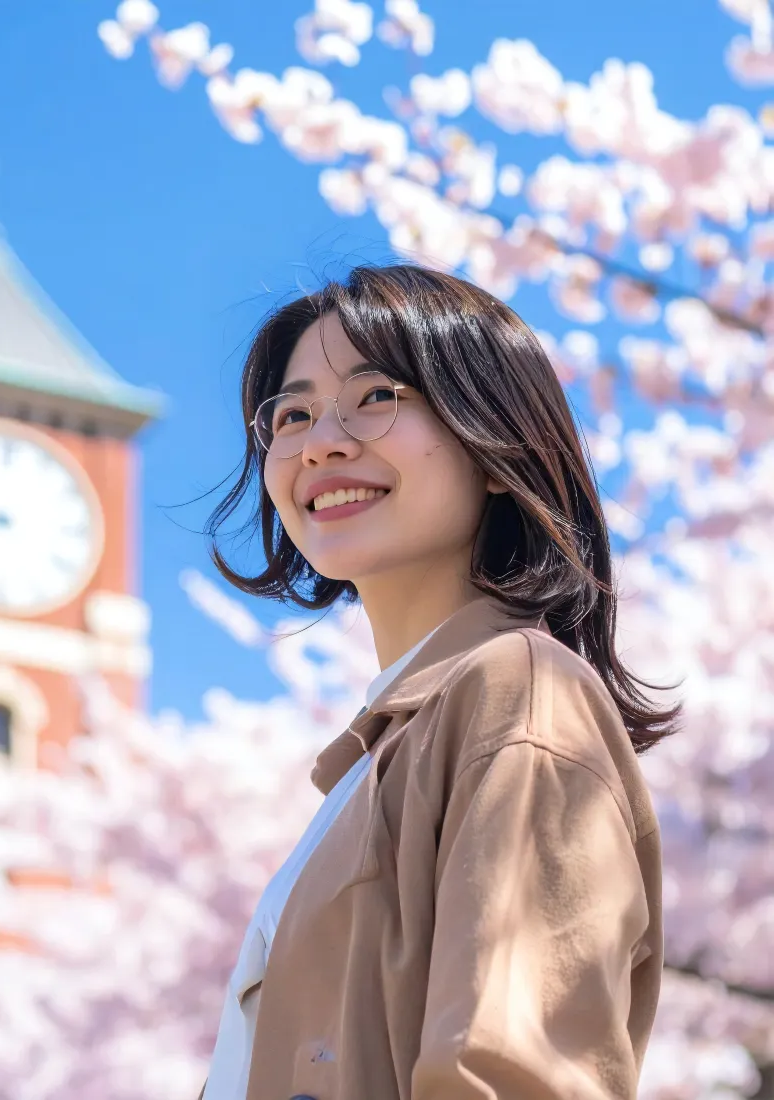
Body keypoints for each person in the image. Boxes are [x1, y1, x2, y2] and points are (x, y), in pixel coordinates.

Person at [197, 263, 678, 1100]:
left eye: (376, 395)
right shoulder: (372, 762)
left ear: (494, 445)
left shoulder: (521, 694)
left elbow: (515, 1077)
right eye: (294, 413)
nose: (322, 441)